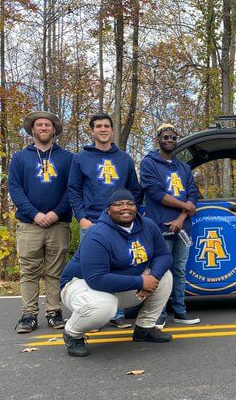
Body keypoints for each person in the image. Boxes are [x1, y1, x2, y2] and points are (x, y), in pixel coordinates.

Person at [59, 189, 174, 357]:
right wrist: (140, 282)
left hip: (121, 284)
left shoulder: (147, 225)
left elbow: (163, 254)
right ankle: (72, 334)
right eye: (118, 204)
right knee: (104, 307)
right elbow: (96, 279)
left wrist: (153, 276)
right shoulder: (97, 234)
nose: (125, 208)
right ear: (108, 210)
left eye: (130, 203)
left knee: (164, 276)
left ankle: (145, 329)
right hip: (80, 285)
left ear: (136, 207)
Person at [68, 113, 142, 328]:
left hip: (120, 224)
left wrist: (129, 215)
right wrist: (81, 218)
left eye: (107, 126)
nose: (103, 129)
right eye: (98, 126)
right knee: (91, 269)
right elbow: (73, 190)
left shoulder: (124, 159)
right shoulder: (80, 158)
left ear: (112, 130)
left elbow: (134, 191)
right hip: (92, 222)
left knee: (119, 266)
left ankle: (116, 312)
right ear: (92, 131)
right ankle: (93, 312)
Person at [9, 111, 73, 333]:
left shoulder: (67, 158)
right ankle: (29, 315)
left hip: (59, 224)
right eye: (39, 125)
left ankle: (54, 313)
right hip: (29, 225)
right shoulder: (20, 158)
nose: (44, 128)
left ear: (54, 130)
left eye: (48, 125)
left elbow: (71, 189)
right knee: (29, 271)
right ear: (33, 130)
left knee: (56, 271)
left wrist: (56, 213)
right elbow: (15, 189)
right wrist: (35, 214)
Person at [140, 123, 200, 325]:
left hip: (183, 227)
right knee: (160, 271)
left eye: (174, 138)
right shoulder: (149, 163)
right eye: (166, 137)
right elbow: (156, 193)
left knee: (179, 269)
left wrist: (182, 217)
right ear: (158, 140)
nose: (170, 141)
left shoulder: (183, 167)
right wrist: (187, 207)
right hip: (159, 227)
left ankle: (180, 310)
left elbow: (193, 192)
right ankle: (160, 315)